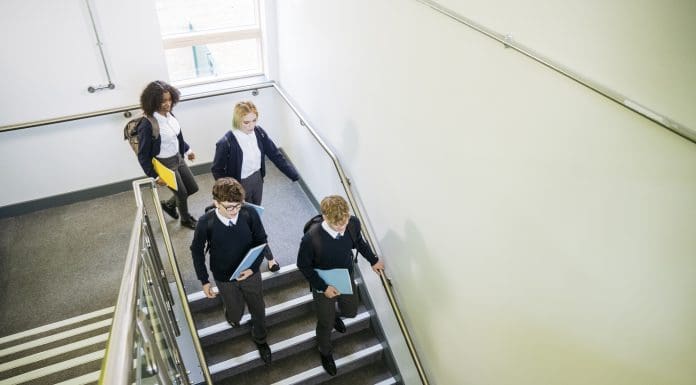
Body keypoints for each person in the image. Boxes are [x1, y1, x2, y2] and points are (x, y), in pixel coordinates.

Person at [296, 195, 385, 376]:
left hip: (345, 275)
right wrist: (323, 287)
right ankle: (325, 351)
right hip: (323, 282)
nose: (343, 228)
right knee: (325, 322)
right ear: (325, 217)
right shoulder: (310, 239)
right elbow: (303, 266)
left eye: (344, 222)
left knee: (351, 310)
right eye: (338, 225)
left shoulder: (352, 223)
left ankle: (335, 315)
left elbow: (359, 242)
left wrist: (373, 260)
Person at [190, 177, 272, 364]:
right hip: (224, 276)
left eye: (237, 206)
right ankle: (233, 314)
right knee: (235, 314)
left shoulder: (249, 212)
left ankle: (261, 339)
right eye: (229, 207)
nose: (234, 211)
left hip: (250, 273)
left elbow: (261, 240)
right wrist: (204, 281)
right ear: (216, 203)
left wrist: (252, 268)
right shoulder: (205, 222)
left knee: (258, 309)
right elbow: (196, 252)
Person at [211, 100, 300, 271]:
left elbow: (275, 154)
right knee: (253, 221)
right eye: (246, 122)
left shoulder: (258, 133)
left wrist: (292, 174)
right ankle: (269, 257)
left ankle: (254, 250)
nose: (251, 125)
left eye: (254, 120)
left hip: (257, 180)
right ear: (237, 120)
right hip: (238, 187)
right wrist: (228, 193)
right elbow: (216, 169)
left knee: (252, 218)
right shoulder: (226, 142)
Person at [136, 80, 199, 229]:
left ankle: (170, 205)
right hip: (165, 164)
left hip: (178, 157)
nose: (167, 104)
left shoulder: (170, 115)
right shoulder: (147, 124)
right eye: (162, 101)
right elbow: (143, 155)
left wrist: (187, 150)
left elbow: (177, 137)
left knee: (192, 188)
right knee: (182, 194)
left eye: (169, 99)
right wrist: (155, 176)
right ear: (152, 102)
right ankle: (185, 219)